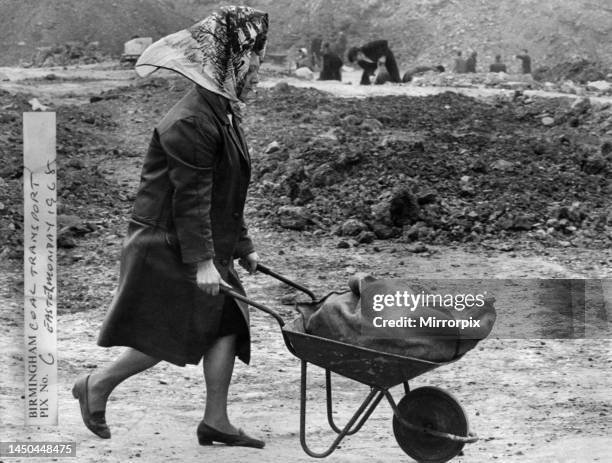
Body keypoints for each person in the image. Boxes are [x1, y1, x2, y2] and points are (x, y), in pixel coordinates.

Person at [71, 6, 269, 449]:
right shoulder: (192, 121)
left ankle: (215, 420)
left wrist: (242, 243)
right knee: (171, 329)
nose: (256, 75)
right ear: (228, 65)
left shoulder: (222, 112)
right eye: (251, 66)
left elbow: (226, 189)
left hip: (200, 239)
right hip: (167, 241)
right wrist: (202, 263)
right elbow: (192, 195)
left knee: (227, 322)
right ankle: (97, 384)